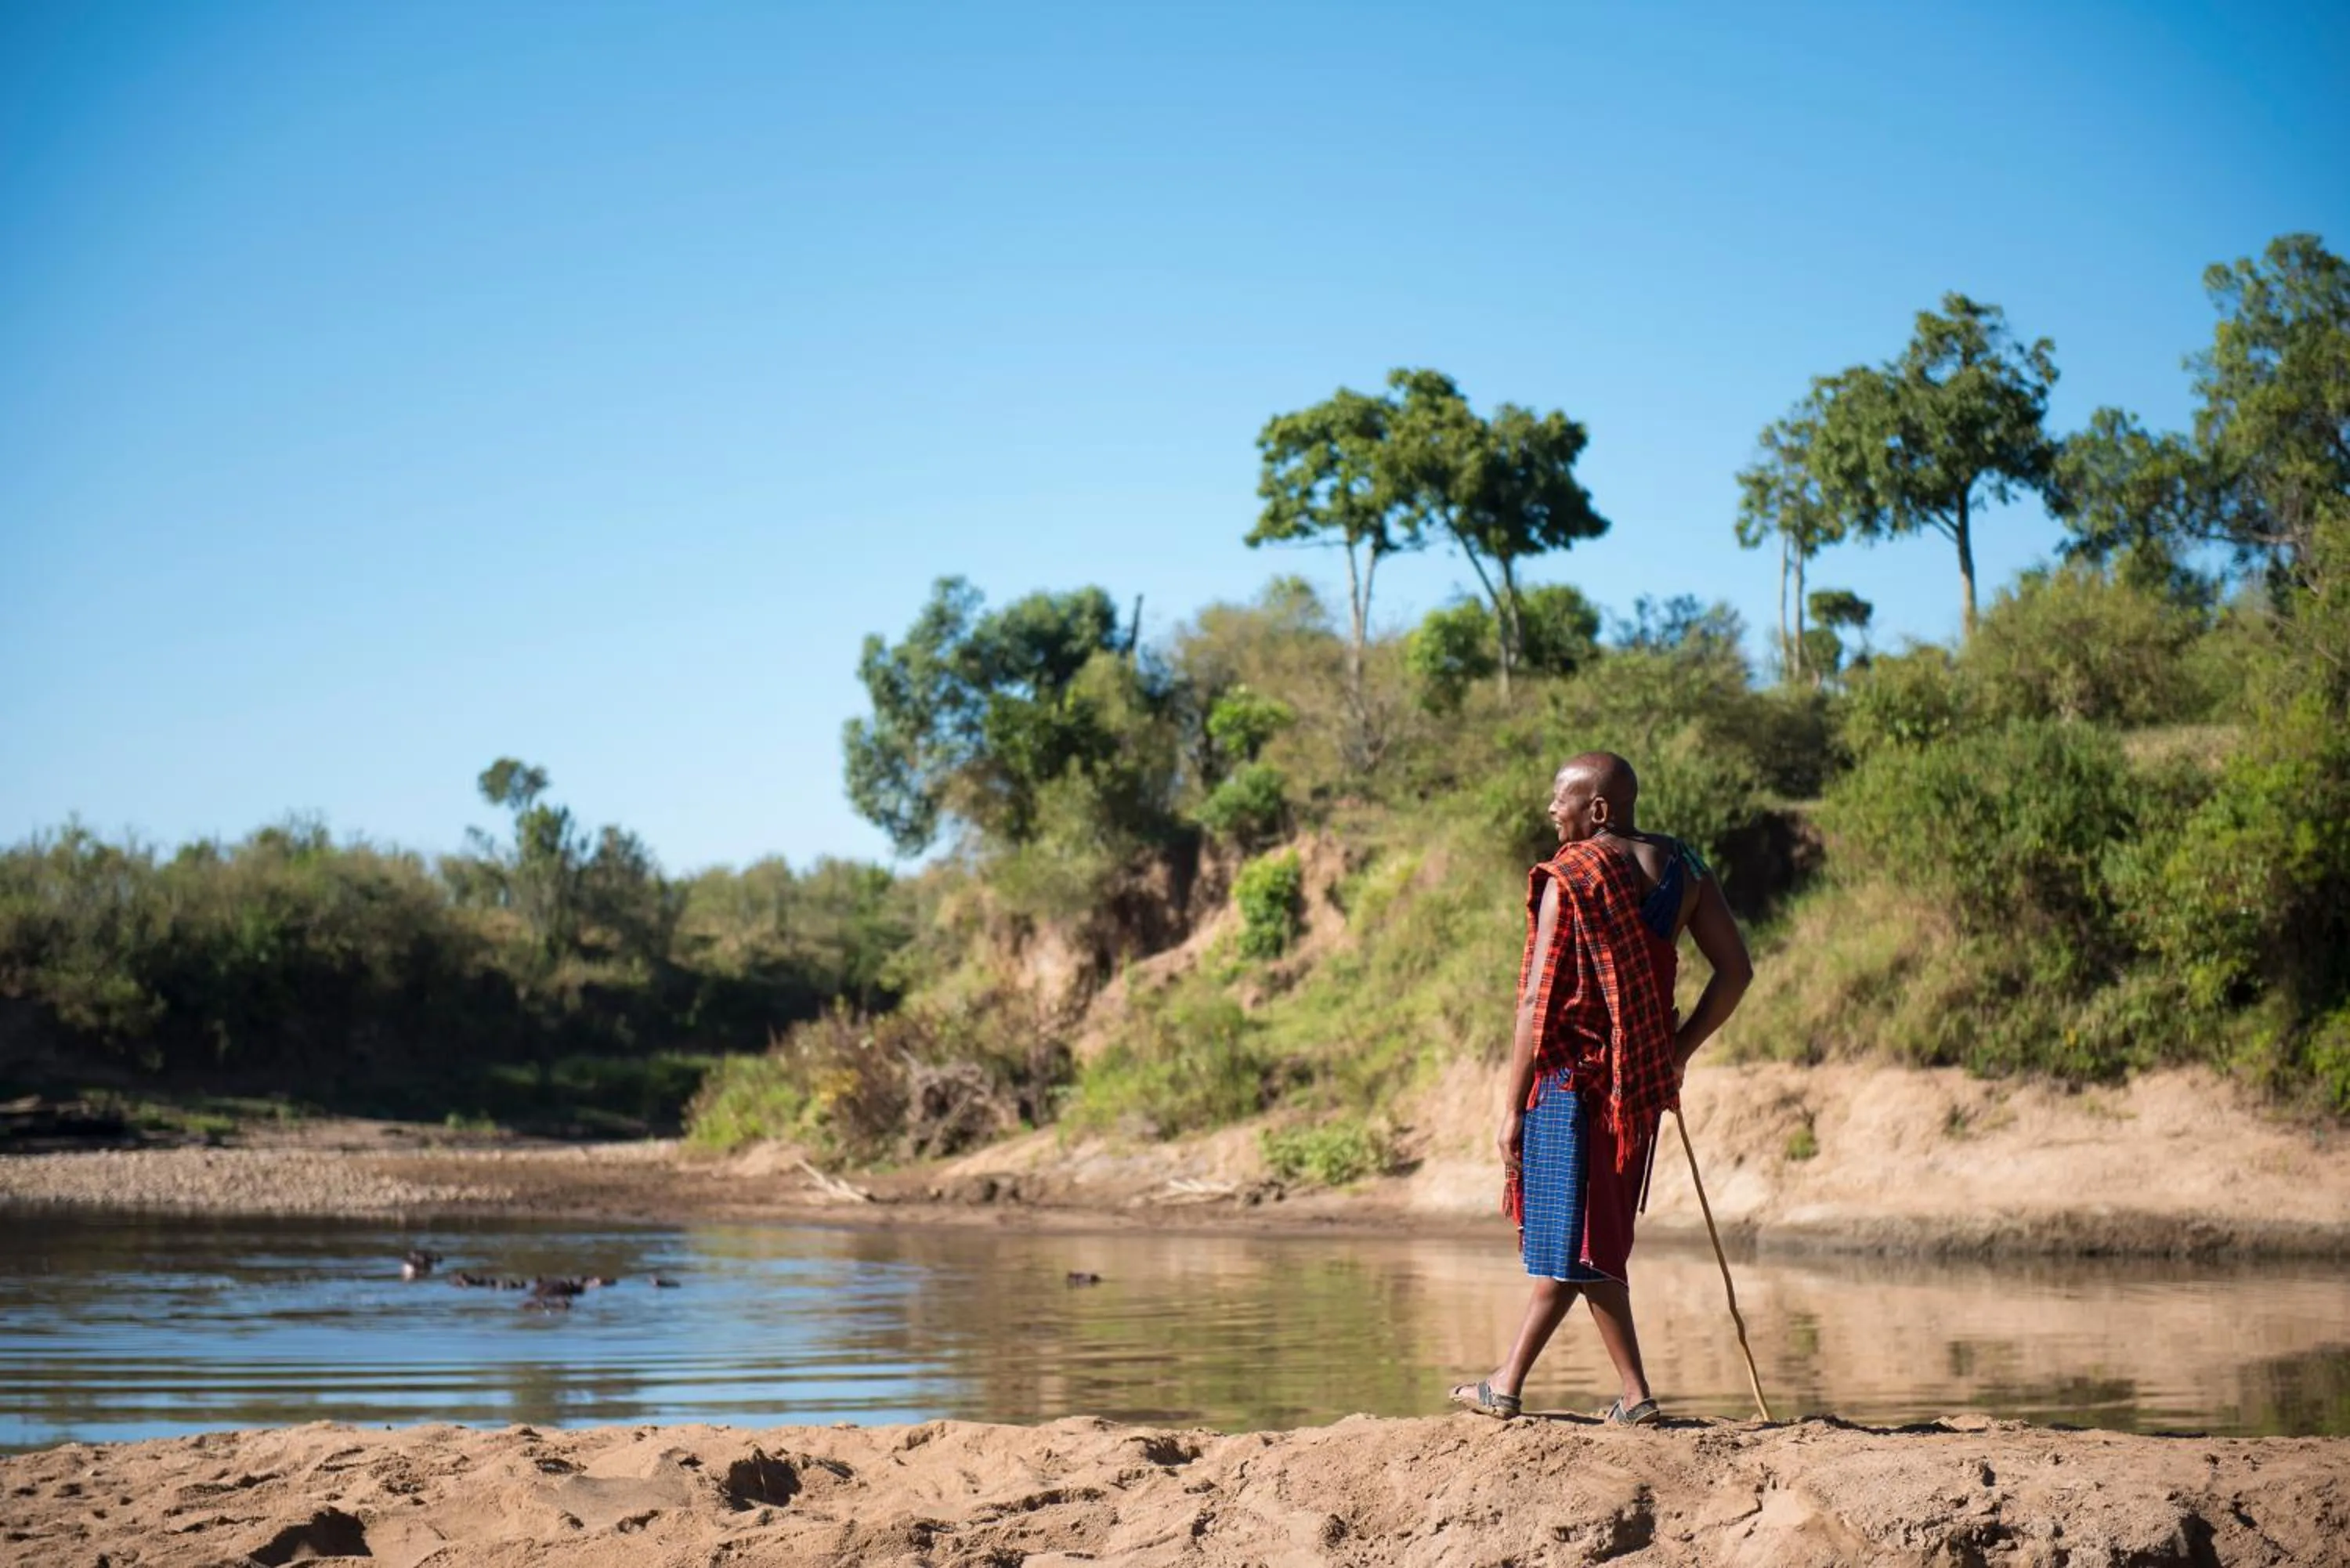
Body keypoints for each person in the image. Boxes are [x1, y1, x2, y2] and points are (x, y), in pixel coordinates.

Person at [1450, 750, 1752, 1424]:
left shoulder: (1572, 877)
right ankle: (1539, 1384)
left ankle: (1602, 1392)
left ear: (1600, 810)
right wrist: (1673, 1053)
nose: (1552, 809)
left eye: (1562, 798)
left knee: (1582, 1239)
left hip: (1571, 1083)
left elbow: (1535, 1002)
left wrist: (1509, 1108)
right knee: (1585, 1234)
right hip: (1635, 1088)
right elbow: (1735, 973)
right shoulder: (1686, 868)